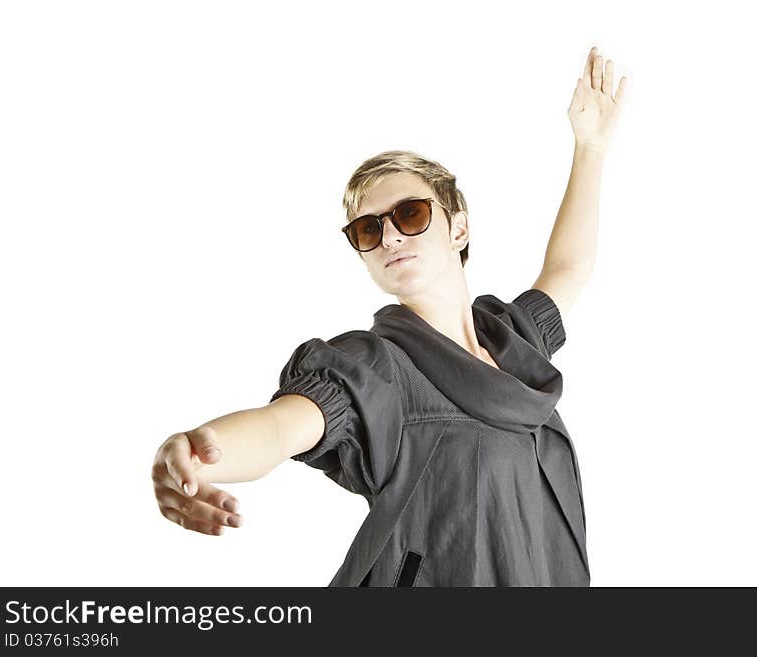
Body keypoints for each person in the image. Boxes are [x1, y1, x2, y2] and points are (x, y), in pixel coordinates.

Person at [151, 46, 627, 586]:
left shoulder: (514, 342)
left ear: (459, 228)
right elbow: (284, 425)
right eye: (368, 229)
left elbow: (567, 268)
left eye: (410, 213)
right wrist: (198, 453)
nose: (391, 235)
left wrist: (590, 146)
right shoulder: (373, 366)